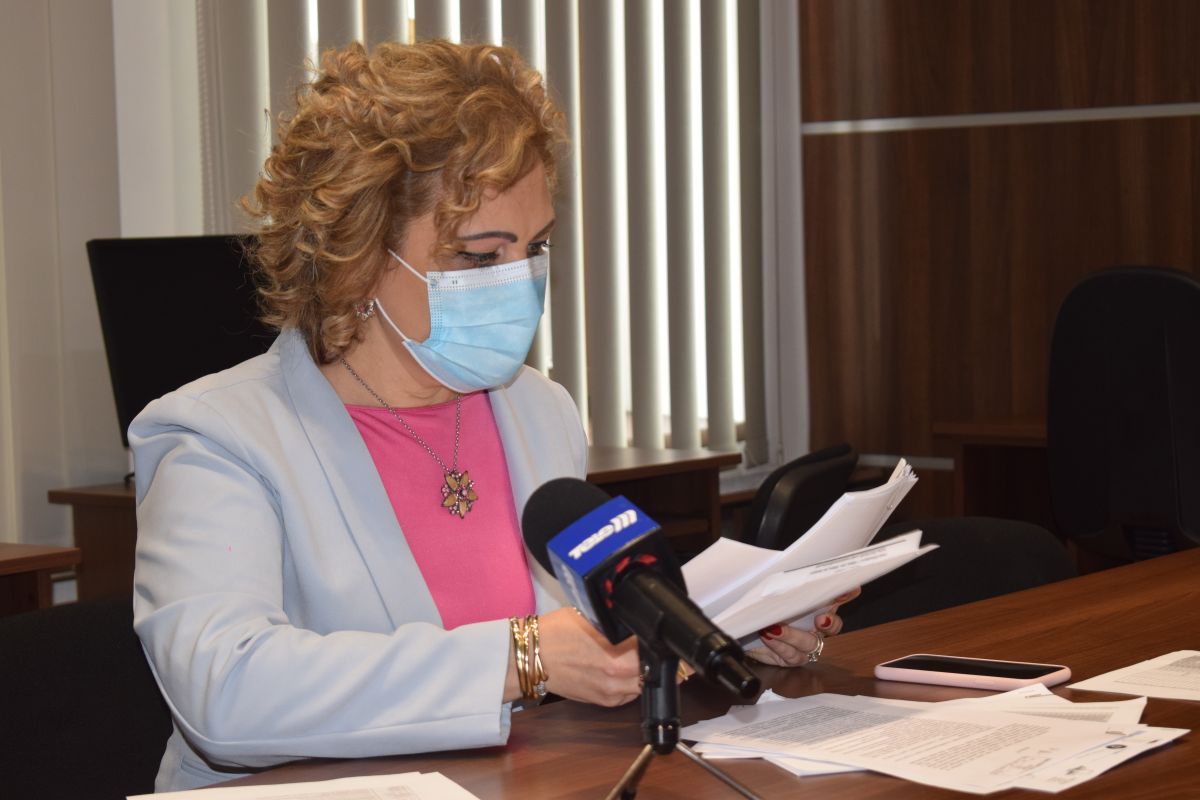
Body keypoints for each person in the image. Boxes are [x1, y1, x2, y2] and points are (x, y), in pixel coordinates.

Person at [130, 39, 855, 793]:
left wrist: (719, 637)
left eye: (535, 247)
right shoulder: (217, 436)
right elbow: (225, 693)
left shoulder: (539, 410)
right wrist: (522, 658)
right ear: (357, 255)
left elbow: (585, 639)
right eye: (479, 256)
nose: (519, 282)